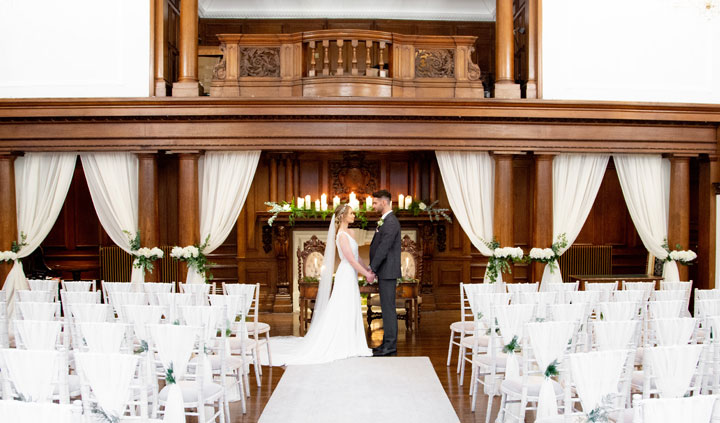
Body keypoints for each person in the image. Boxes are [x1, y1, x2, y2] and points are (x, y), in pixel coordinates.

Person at [263, 203, 373, 366]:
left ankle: (353, 341)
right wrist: (366, 275)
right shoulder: (341, 235)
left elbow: (357, 258)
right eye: (351, 213)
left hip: (352, 273)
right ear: (343, 216)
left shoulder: (351, 232)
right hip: (346, 273)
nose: (354, 216)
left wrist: (367, 269)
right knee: (343, 306)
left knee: (352, 306)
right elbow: (349, 259)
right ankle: (343, 343)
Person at [369, 189, 402, 357]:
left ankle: (390, 346)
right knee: (386, 308)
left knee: (388, 309)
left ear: (384, 202)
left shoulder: (390, 222)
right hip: (385, 271)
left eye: (375, 203)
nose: (373, 206)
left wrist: (372, 268)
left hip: (388, 271)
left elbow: (384, 248)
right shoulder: (386, 221)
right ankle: (386, 343)